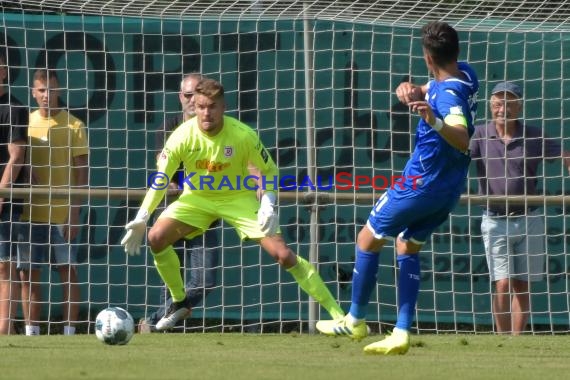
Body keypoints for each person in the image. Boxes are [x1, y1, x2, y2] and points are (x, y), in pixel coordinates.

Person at [121, 78, 344, 331]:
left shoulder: (242, 134)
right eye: (202, 106)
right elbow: (161, 179)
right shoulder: (181, 135)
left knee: (282, 255)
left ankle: (338, 316)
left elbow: (270, 171)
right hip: (197, 198)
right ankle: (179, 302)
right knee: (156, 237)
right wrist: (143, 215)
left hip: (238, 199)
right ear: (194, 104)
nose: (206, 113)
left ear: (223, 107)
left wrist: (268, 203)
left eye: (212, 107)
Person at [316, 21, 479, 355]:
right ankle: (401, 331)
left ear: (427, 57)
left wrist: (432, 119)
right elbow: (430, 88)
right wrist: (409, 88)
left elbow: (462, 138)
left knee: (367, 237)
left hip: (420, 183)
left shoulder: (447, 94)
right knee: (406, 246)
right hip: (449, 189)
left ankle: (355, 319)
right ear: (455, 52)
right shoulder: (464, 74)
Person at [470, 81, 570, 335]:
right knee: (502, 284)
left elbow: (564, 155)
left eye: (510, 102)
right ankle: (502, 341)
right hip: (494, 220)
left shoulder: (534, 135)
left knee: (522, 286)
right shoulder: (479, 134)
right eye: (499, 102)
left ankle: (516, 340)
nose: (504, 107)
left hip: (529, 219)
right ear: (491, 105)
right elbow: (456, 156)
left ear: (520, 106)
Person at [138, 73, 220, 333]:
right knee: (171, 279)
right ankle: (163, 331)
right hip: (172, 213)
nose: (192, 99)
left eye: (197, 94)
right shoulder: (167, 129)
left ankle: (153, 321)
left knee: (204, 280)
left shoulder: (218, 129)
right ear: (180, 98)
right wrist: (175, 186)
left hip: (205, 213)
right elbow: (164, 173)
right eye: (187, 95)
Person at [17, 69, 89, 335]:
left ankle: (70, 332)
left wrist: (74, 212)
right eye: (42, 90)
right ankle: (31, 333)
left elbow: (82, 173)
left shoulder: (75, 126)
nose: (47, 95)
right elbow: (16, 156)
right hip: (29, 214)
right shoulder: (25, 123)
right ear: (34, 93)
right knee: (28, 274)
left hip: (62, 215)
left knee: (67, 272)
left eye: (52, 89)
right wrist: (26, 167)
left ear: (59, 90)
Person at [0, 51, 28, 335]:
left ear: (4, 72)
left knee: (4, 267)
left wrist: (1, 194)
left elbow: (16, 156)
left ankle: (4, 331)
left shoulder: (14, 108)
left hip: (6, 202)